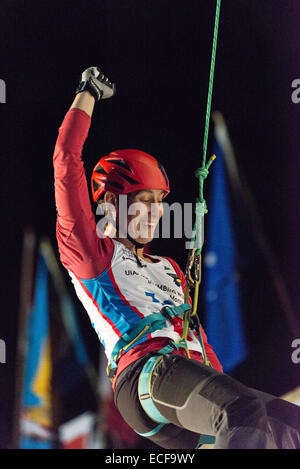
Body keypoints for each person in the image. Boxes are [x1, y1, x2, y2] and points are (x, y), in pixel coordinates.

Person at [53, 66, 300, 449]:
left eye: (159, 203)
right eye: (144, 202)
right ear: (113, 206)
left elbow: (198, 338)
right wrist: (86, 94)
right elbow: (66, 163)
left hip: (184, 379)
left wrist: (218, 386)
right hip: (144, 377)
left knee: (289, 424)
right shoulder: (91, 253)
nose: (155, 212)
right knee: (243, 409)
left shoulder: (168, 268)